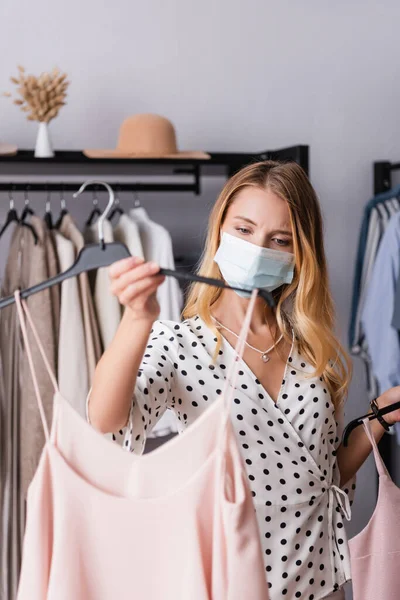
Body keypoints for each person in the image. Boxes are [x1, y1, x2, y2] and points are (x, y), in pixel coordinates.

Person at [88, 161, 400, 600]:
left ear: (300, 253)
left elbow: (322, 473)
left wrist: (382, 413)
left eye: (280, 240)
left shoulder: (312, 347)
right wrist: (138, 318)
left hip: (321, 580)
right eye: (244, 229)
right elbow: (105, 420)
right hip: (228, 582)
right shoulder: (179, 342)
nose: (258, 248)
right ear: (219, 232)